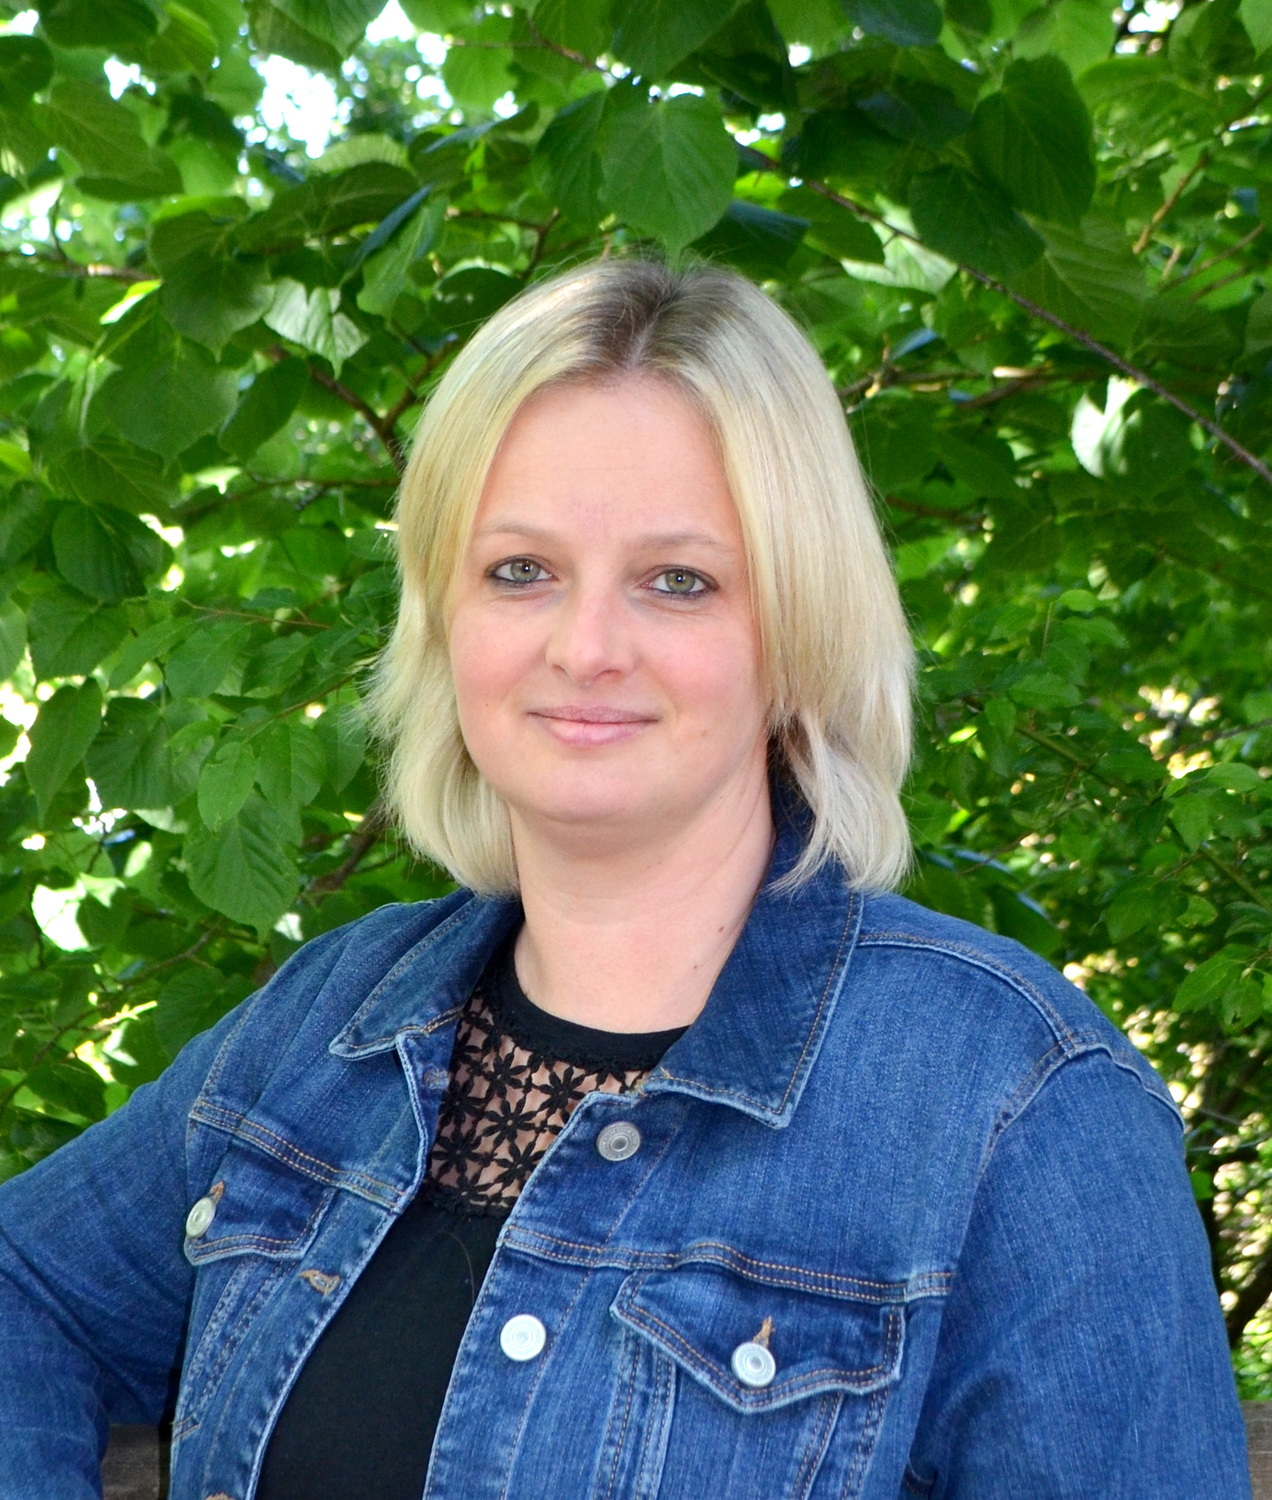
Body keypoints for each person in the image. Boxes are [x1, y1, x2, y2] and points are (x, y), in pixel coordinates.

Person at [0, 258, 1250, 1500]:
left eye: (678, 581)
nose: (585, 646)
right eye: (520, 570)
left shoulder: (1016, 1110)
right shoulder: (329, 1025)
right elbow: (24, 1289)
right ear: (444, 616)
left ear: (798, 630)